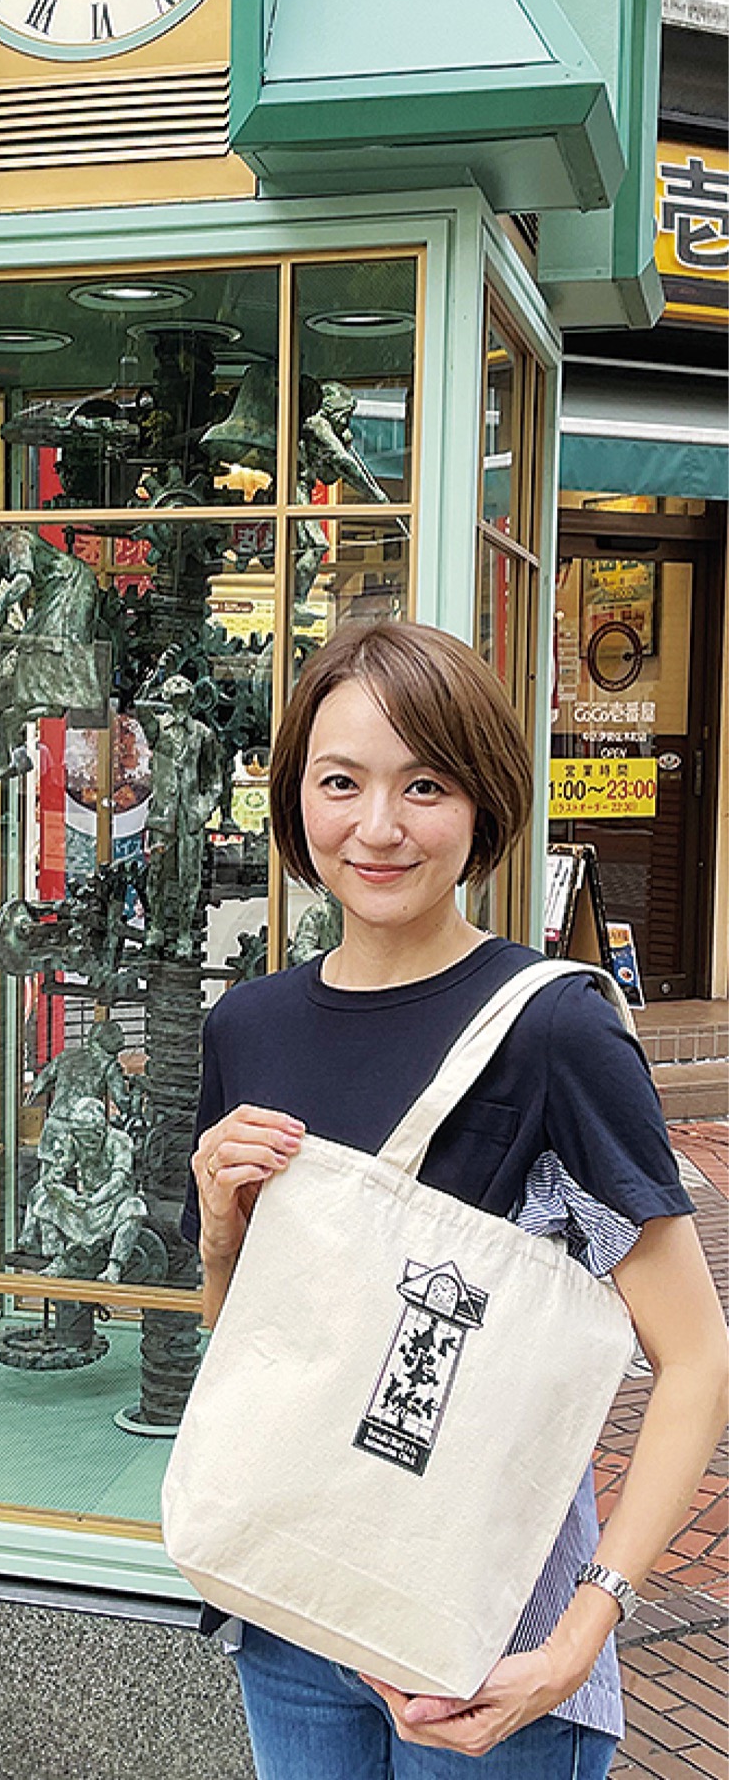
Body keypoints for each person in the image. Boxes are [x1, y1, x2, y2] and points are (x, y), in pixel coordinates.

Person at [183, 621, 727, 1778]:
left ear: (483, 804)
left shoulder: (555, 1027)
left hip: (491, 1630)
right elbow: (259, 1352)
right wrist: (223, 1239)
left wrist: (578, 1639)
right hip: (291, 1603)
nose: (378, 826)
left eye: (424, 784)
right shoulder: (249, 1027)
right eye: (341, 781)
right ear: (295, 798)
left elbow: (695, 1357)